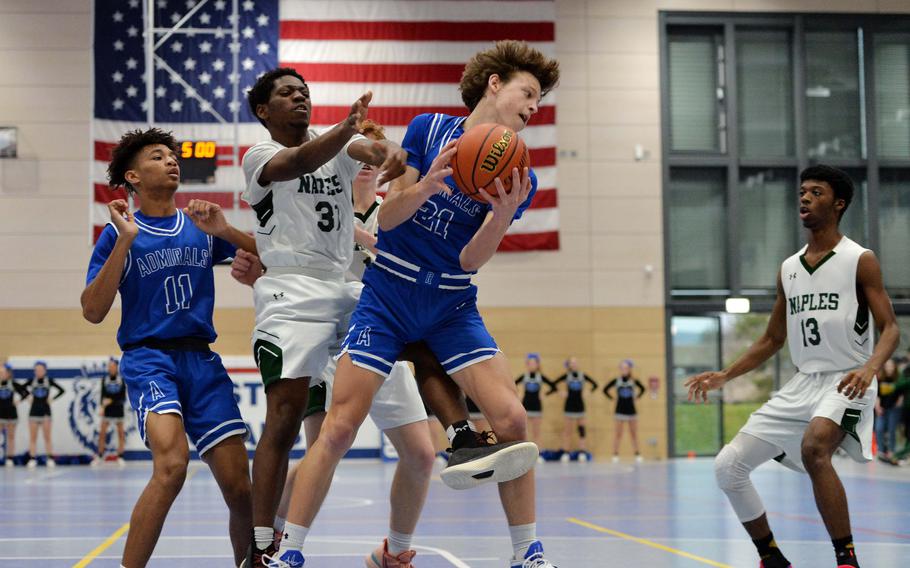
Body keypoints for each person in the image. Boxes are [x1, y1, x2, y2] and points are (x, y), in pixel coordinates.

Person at [268, 40, 560, 568]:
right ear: (495, 84)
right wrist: (426, 184)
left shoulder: (522, 175)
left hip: (450, 302)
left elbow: (472, 261)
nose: (534, 107)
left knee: (513, 419)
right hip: (389, 295)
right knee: (338, 427)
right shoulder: (429, 129)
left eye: (539, 102)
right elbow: (393, 217)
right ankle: (290, 551)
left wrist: (501, 214)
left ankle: (527, 552)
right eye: (529, 93)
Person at [684, 165, 899, 568]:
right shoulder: (789, 268)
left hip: (848, 378)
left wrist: (870, 368)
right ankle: (772, 557)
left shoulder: (859, 259)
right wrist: (725, 374)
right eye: (802, 191)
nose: (804, 198)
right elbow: (772, 339)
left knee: (815, 448)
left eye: (815, 192)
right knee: (728, 467)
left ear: (838, 204)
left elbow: (890, 328)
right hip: (803, 383)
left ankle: (847, 560)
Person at [81, 128, 255, 567]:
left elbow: (271, 258)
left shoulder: (200, 224)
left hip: (201, 359)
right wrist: (123, 240)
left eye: (173, 156)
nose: (172, 161)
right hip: (150, 358)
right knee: (172, 466)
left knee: (241, 488)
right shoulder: (118, 233)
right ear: (133, 177)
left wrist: (228, 231)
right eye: (159, 157)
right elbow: (92, 310)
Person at [548, 357, 597, 462]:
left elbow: (595, 385)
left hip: (580, 406)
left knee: (581, 430)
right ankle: (566, 452)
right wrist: (560, 392)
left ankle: (582, 452)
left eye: (575, 362)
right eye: (572, 363)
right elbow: (552, 384)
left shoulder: (582, 376)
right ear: (569, 365)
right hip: (569, 406)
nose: (574, 364)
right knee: (567, 430)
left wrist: (588, 392)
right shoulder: (566, 376)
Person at [21, 360, 64, 468]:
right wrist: (27, 397)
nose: (39, 371)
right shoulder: (32, 381)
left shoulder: (49, 381)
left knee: (47, 436)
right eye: (37, 370)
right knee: (33, 437)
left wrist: (52, 398)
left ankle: (49, 458)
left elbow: (61, 390)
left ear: (45, 370)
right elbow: (20, 388)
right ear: (34, 371)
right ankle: (32, 458)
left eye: (41, 369)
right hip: (34, 412)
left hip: (45, 412)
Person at [603, 359, 646, 463]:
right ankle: (615, 454)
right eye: (622, 367)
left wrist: (638, 396)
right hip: (619, 410)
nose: (624, 369)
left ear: (629, 369)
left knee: (634, 434)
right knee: (618, 434)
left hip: (631, 410)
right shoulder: (616, 380)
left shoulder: (634, 380)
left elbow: (643, 389)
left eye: (626, 367)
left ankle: (637, 453)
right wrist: (612, 398)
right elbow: (605, 390)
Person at [92, 356, 127, 466]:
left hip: (118, 409)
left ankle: (120, 456)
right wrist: (102, 407)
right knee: (102, 434)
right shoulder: (104, 380)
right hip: (107, 410)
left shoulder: (121, 380)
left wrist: (111, 400)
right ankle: (100, 455)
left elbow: (122, 398)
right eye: (109, 366)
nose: (111, 368)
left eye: (113, 366)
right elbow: (103, 396)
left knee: (120, 434)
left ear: (117, 367)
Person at [515, 353, 553, 448]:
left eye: (534, 363)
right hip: (526, 405)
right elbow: (512, 384)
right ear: (527, 364)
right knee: (525, 432)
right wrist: (519, 393)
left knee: (537, 432)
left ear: (537, 365)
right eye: (530, 363)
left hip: (537, 406)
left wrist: (545, 394)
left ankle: (539, 452)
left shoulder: (540, 377)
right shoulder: (524, 376)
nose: (532, 365)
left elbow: (554, 387)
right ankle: (525, 453)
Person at [874, 358, 902, 463]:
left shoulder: (898, 379)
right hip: (882, 408)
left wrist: (899, 402)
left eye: (891, 366)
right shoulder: (880, 378)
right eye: (887, 366)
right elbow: (877, 394)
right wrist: (877, 406)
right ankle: (881, 451)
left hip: (893, 409)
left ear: (894, 367)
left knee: (892, 430)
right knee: (879, 428)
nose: (889, 368)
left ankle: (891, 451)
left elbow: (901, 392)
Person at [0, 362, 26, 467]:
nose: (1, 374)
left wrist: (18, 401)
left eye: (2, 372)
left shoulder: (13, 383)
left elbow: (25, 393)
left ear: (8, 373)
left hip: (11, 413)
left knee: (11, 437)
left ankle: (10, 458)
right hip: (0, 414)